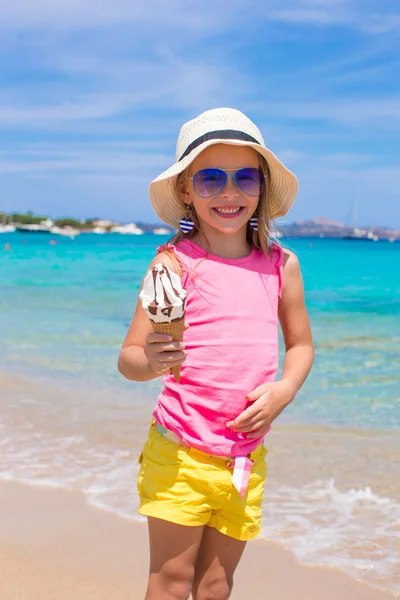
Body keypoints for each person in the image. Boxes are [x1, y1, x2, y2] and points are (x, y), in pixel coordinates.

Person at [118, 108, 314, 600]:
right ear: (186, 189)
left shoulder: (281, 265)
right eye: (210, 179)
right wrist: (154, 360)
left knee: (216, 585)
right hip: (179, 451)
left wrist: (285, 389)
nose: (230, 193)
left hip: (245, 457)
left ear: (262, 187)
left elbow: (301, 345)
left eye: (245, 177)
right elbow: (129, 358)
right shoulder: (173, 263)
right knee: (171, 582)